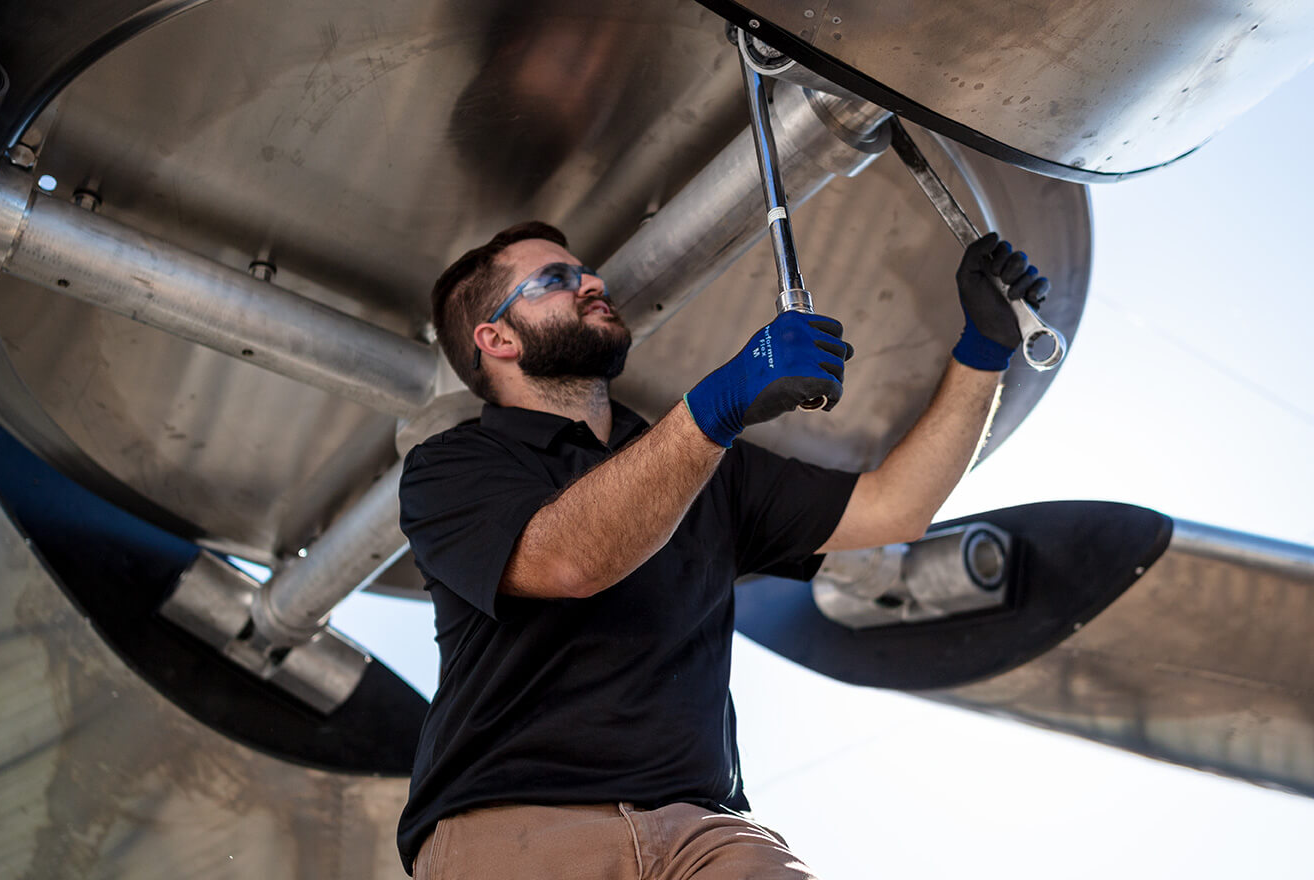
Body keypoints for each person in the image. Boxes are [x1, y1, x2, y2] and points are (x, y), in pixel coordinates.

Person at [396, 221, 1049, 879]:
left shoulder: (705, 468)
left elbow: (896, 506)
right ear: (497, 337)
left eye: (586, 272)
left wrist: (986, 349)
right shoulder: (453, 466)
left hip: (705, 834)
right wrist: (716, 406)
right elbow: (568, 560)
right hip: (517, 830)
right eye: (556, 280)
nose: (592, 282)